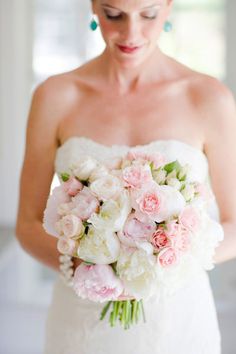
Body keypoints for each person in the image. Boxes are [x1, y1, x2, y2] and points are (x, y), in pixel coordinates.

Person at [15, 0, 236, 353]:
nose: (130, 33)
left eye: (147, 14)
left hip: (179, 322)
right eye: (113, 14)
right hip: (82, 321)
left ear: (167, 7)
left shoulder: (209, 98)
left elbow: (234, 223)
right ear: (93, 7)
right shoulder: (55, 96)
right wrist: (93, 262)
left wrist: (164, 258)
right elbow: (26, 224)